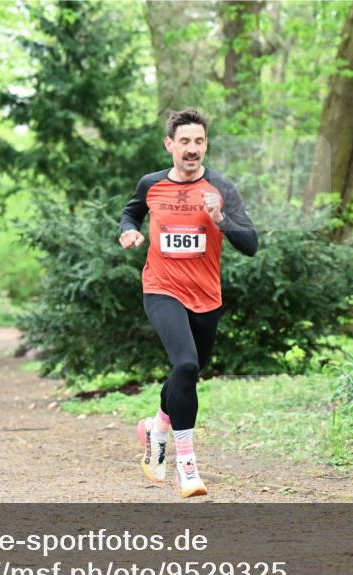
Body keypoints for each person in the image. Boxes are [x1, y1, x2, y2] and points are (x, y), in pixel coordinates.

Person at [119, 108, 257, 498]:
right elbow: (131, 213)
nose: (192, 149)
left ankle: (156, 428)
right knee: (185, 364)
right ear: (170, 145)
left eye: (199, 141)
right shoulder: (151, 184)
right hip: (161, 288)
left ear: (206, 145)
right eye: (185, 141)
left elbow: (250, 244)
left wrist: (221, 219)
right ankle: (187, 465)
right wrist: (129, 231)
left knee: (187, 374)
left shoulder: (221, 188)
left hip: (206, 297)